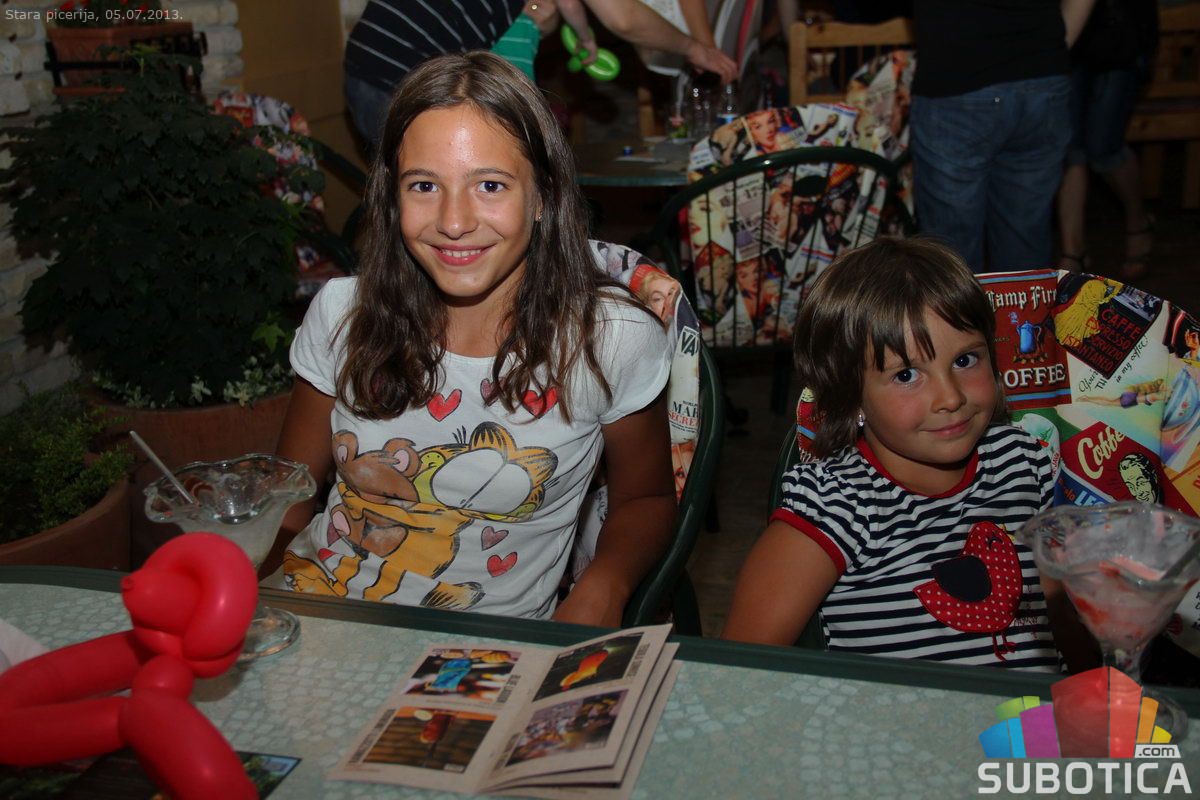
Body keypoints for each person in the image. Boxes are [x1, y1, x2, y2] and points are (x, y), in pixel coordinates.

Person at [266, 52, 677, 627]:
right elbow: (289, 495)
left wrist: (605, 585)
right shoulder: (343, 314)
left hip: (488, 645)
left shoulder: (608, 339)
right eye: (423, 185)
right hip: (323, 611)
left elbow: (646, 498)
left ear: (544, 197)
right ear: (392, 198)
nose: (454, 222)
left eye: (489, 185)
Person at [722, 237, 1092, 671]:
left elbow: (1061, 619)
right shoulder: (834, 506)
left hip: (1037, 713)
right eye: (907, 375)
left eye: (965, 360)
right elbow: (740, 668)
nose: (950, 397)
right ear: (850, 396)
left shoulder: (1024, 462)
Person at [343, 0, 737, 151]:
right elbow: (624, 18)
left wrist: (584, 37)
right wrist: (694, 49)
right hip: (401, 75)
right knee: (438, 202)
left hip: (367, 60)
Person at [909, 0, 1098, 273]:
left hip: (957, 82)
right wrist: (1050, 49)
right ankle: (1022, 302)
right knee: (1024, 242)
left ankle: (966, 304)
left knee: (952, 256)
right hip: (1042, 80)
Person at [1055, 0, 1159, 278]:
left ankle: (1137, 220)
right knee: (1070, 149)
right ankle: (1073, 250)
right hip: (1065, 40)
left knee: (1104, 148)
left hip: (1119, 39)